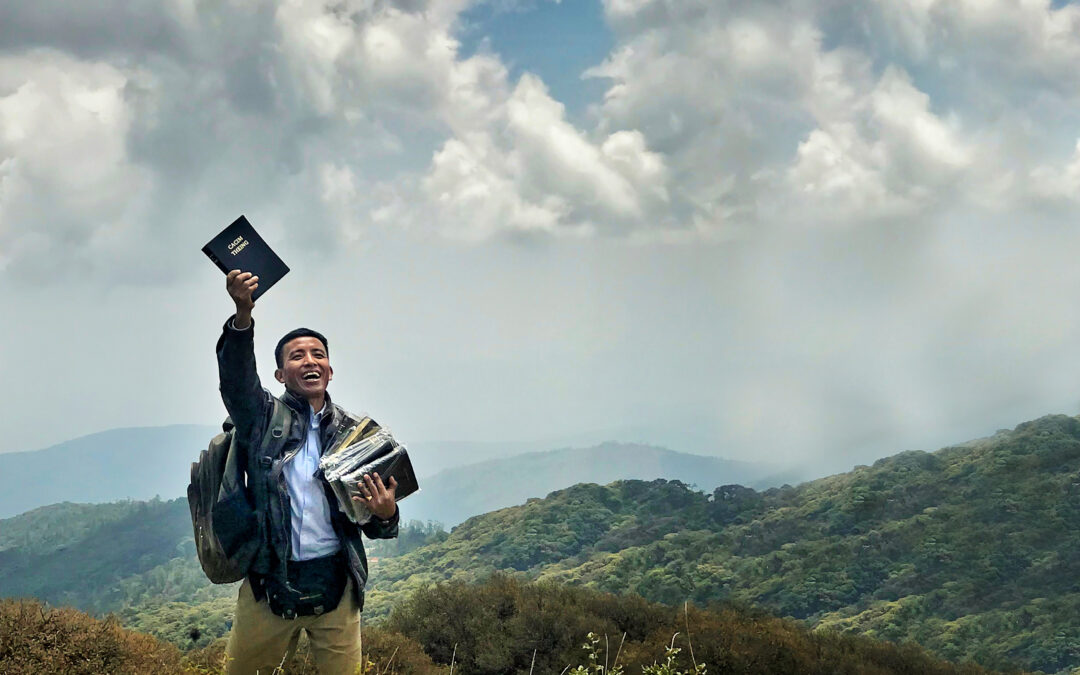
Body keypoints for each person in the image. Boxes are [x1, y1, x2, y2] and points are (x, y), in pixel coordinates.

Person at [217, 269, 399, 674]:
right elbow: (236, 382)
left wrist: (386, 512)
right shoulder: (263, 420)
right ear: (280, 376)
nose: (310, 361)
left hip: (337, 587)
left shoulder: (356, 434)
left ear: (330, 371)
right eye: (296, 356)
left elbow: (378, 523)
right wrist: (242, 317)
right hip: (269, 584)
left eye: (318, 354)